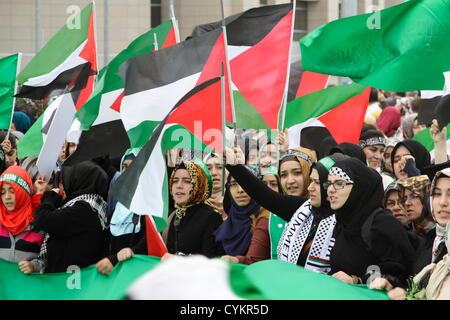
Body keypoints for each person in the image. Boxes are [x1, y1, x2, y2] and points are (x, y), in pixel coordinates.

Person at [326, 157, 415, 287]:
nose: (330, 190)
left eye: (339, 183)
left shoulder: (381, 223)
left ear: (359, 186)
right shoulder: (343, 221)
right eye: (328, 184)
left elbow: (401, 274)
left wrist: (357, 280)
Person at [371, 169, 450, 298]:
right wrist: (394, 286)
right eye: (436, 194)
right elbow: (416, 282)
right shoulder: (432, 240)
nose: (442, 202)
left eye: (414, 196)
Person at [32, 160, 109, 273]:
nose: (61, 187)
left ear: (78, 181)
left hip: (70, 284)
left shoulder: (84, 210)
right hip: (71, 279)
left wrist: (51, 197)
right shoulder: (92, 206)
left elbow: (42, 219)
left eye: (63, 182)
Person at [151, 160, 224, 261]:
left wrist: (180, 260)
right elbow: (147, 246)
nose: (179, 185)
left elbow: (211, 260)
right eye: (175, 181)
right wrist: (130, 250)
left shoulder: (211, 217)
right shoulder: (172, 216)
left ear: (199, 185)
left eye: (187, 181)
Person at [217, 171, 270, 264]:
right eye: (233, 184)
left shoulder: (265, 220)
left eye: (246, 183)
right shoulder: (226, 225)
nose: (240, 190)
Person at [0, 166, 45, 274]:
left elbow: (48, 259)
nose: (7, 197)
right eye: (2, 192)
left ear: (23, 192)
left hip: (25, 288)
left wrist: (34, 266)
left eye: (12, 191)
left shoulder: (39, 224)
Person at [204, 153, 227, 220]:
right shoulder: (197, 205)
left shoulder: (236, 202)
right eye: (208, 168)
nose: (214, 173)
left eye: (220, 167)